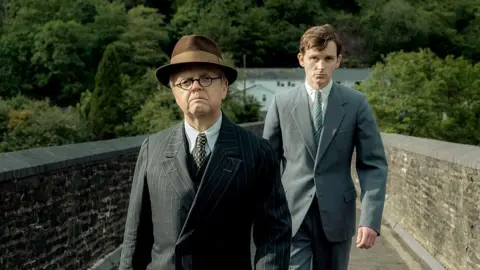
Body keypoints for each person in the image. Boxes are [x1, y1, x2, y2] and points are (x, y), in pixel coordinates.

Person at [118, 34, 292, 270]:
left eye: (206, 78)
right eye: (185, 81)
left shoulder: (256, 150)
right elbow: (136, 237)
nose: (196, 86)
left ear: (224, 87)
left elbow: (274, 232)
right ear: (174, 92)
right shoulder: (153, 149)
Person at [263, 24, 388, 270]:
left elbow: (373, 164)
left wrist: (370, 219)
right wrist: (265, 213)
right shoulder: (281, 103)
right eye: (314, 58)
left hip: (337, 215)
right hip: (292, 213)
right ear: (302, 59)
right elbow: (266, 163)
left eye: (328, 58)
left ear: (338, 61)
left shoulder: (356, 104)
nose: (320, 66)